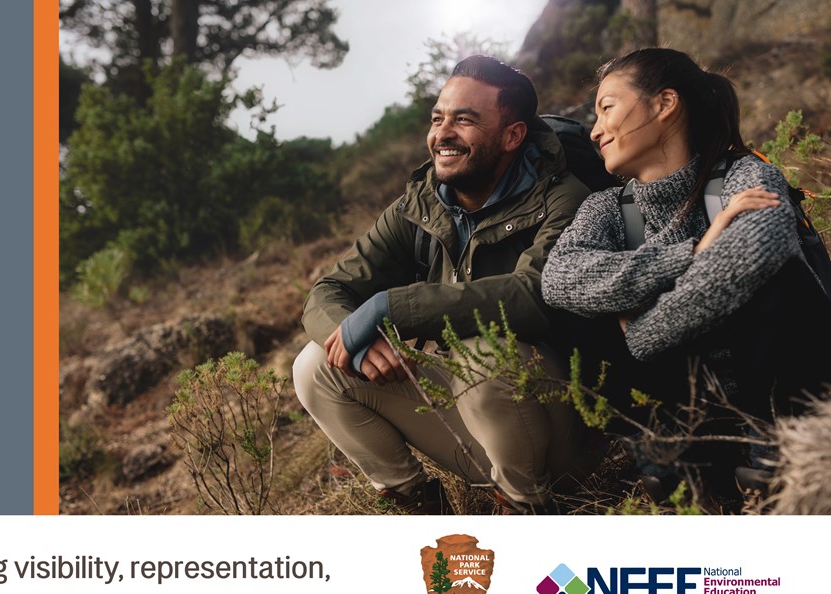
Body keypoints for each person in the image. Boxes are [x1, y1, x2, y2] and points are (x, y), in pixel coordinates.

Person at [293, 56, 595, 514]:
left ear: (512, 135)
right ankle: (419, 504)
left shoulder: (563, 198)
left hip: (559, 433)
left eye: (465, 120)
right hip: (469, 423)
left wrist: (394, 306)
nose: (442, 133)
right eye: (438, 118)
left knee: (486, 354)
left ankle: (524, 508)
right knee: (317, 365)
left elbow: (535, 296)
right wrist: (354, 335)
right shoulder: (421, 204)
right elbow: (329, 289)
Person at [540, 48, 831, 496]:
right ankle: (669, 460)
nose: (595, 130)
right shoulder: (605, 210)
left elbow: (753, 254)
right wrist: (694, 250)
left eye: (607, 108)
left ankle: (774, 454)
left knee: (772, 275)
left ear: (664, 103)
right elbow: (558, 278)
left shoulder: (745, 175)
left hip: (779, 397)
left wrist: (638, 330)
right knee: (574, 312)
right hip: (687, 408)